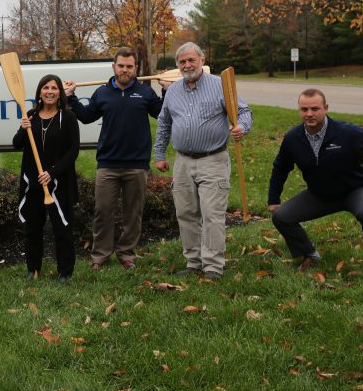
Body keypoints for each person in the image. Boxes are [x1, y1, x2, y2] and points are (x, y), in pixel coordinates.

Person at [268, 89, 363, 270]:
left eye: (315, 109)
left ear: (326, 108)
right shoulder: (293, 138)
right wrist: (273, 199)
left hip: (355, 190)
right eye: (304, 109)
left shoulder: (346, 132)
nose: (309, 114)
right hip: (319, 195)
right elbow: (281, 168)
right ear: (299, 110)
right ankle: (310, 255)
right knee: (281, 216)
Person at [153, 42, 252, 280]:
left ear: (202, 60)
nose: (187, 65)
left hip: (213, 159)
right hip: (183, 161)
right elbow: (164, 123)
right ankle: (193, 262)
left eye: (191, 60)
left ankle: (213, 266)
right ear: (178, 65)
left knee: (212, 214)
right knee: (185, 213)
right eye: (182, 62)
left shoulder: (220, 85)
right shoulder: (174, 91)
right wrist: (159, 154)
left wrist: (241, 127)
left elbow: (245, 112)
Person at [63, 46, 162, 271]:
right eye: (121, 66)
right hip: (108, 163)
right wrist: (71, 97)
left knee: (133, 214)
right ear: (114, 67)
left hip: (137, 164)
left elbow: (162, 113)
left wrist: (166, 91)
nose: (125, 70)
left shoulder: (145, 92)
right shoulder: (102, 93)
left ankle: (127, 254)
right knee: (103, 212)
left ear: (136, 68)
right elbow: (87, 117)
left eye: (129, 66)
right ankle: (100, 256)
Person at [13, 74, 78, 281]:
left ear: (60, 93)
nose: (50, 91)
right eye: (45, 87)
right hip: (34, 182)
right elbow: (16, 144)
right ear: (40, 92)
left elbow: (73, 151)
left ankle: (65, 272)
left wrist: (52, 173)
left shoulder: (67, 117)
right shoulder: (31, 115)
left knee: (62, 227)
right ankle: (33, 269)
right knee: (33, 229)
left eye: (54, 88)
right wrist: (24, 129)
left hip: (58, 182)